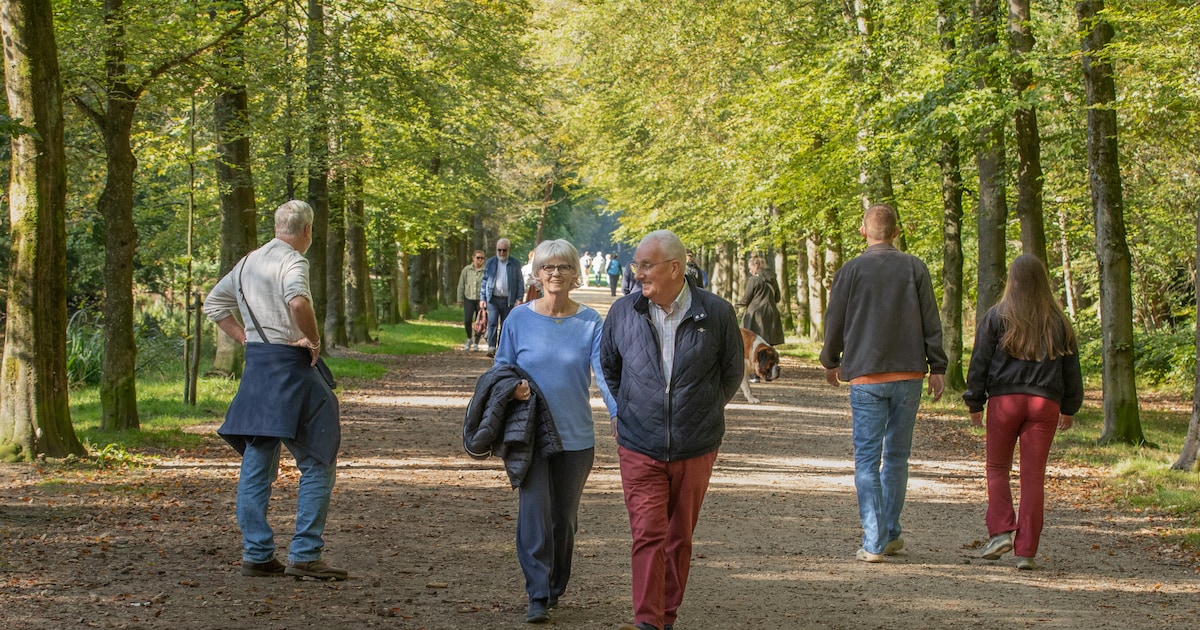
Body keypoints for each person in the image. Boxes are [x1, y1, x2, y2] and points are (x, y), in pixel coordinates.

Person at [601, 230, 743, 630]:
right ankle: (649, 621)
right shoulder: (623, 312)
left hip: (695, 444)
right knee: (648, 533)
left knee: (679, 537)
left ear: (675, 268)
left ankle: (667, 616)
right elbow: (610, 368)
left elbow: (732, 374)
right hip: (638, 444)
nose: (637, 274)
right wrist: (631, 409)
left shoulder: (716, 313)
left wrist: (700, 410)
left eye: (646, 266)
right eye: (636, 266)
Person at [203, 200, 347, 581]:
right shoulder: (294, 261)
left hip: (259, 371)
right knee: (318, 458)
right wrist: (313, 339)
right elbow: (297, 301)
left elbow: (213, 304)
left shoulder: (248, 261)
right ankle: (305, 553)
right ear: (307, 230)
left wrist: (247, 338)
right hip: (292, 369)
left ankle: (257, 553)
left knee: (256, 464)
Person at [493, 239, 618, 624]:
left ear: (574, 273)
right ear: (537, 273)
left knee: (563, 518)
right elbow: (500, 368)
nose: (555, 274)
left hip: (575, 436)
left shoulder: (590, 322)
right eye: (548, 267)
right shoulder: (518, 319)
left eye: (563, 267)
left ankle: (556, 584)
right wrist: (511, 389)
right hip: (529, 434)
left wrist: (618, 414)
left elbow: (605, 374)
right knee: (534, 512)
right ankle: (538, 593)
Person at [820, 203, 946, 563]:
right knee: (896, 458)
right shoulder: (914, 267)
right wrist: (937, 366)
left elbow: (835, 321)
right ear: (896, 231)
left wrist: (831, 360)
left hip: (866, 376)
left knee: (866, 460)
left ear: (863, 231)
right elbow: (930, 319)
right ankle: (889, 533)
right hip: (909, 374)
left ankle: (875, 540)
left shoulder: (851, 270)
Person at [964, 254, 1083, 571]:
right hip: (1045, 403)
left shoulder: (995, 317)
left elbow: (980, 363)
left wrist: (975, 402)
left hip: (1004, 402)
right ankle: (1026, 551)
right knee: (1033, 478)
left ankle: (1002, 531)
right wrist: (1070, 408)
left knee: (997, 468)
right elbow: (1072, 370)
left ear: (1011, 280)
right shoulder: (1058, 322)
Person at [734, 256, 786, 373]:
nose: (750, 271)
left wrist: (735, 305)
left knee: (751, 344)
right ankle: (770, 369)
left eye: (750, 268)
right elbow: (777, 298)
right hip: (772, 313)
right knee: (768, 345)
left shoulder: (754, 280)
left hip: (755, 315)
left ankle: (754, 372)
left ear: (756, 266)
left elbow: (746, 299)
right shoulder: (773, 278)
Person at [480, 238, 525, 358]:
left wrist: (519, 298)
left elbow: (520, 282)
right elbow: (484, 281)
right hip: (493, 298)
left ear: (508, 250)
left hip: (508, 299)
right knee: (492, 322)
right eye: (499, 250)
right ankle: (491, 347)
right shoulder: (490, 262)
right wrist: (482, 298)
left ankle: (501, 348)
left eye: (504, 250)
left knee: (505, 324)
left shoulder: (515, 264)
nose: (501, 253)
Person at [456, 249, 486, 351]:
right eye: (478, 258)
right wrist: (459, 299)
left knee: (480, 322)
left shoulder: (485, 271)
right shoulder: (466, 270)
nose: (480, 260)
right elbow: (461, 285)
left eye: (482, 258)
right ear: (473, 258)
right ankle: (469, 338)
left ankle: (476, 342)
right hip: (468, 298)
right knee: (467, 320)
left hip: (481, 299)